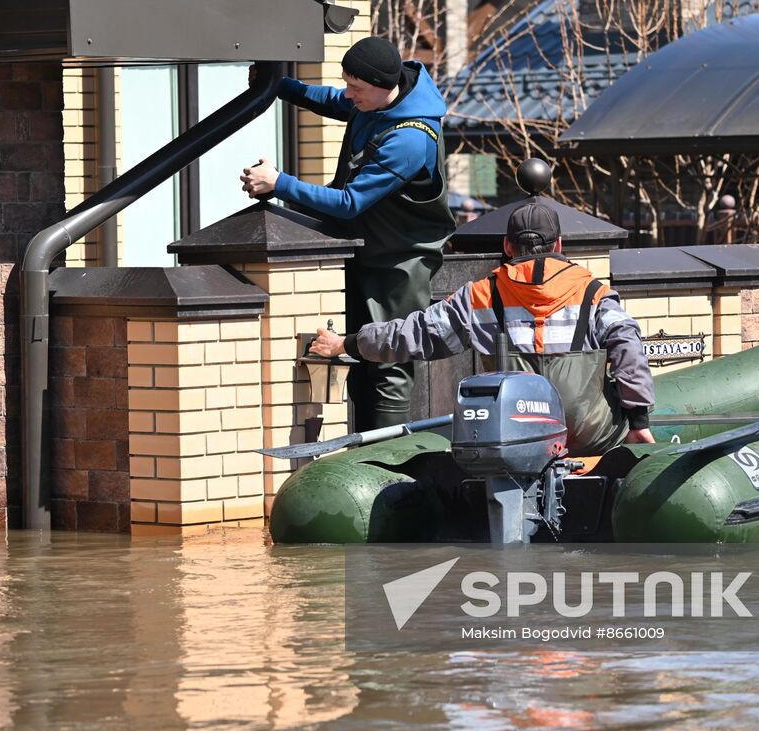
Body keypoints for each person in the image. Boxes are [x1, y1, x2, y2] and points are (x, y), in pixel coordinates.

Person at [308, 197, 656, 454]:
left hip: (513, 434)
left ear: (507, 246)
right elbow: (628, 346)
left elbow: (414, 336)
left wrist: (346, 344)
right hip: (589, 435)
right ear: (560, 245)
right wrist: (638, 423)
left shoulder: (481, 295)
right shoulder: (595, 293)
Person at [241, 37, 455, 431]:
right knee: (352, 354)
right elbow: (331, 101)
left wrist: (278, 183)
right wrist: (278, 85)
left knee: (387, 362)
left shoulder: (410, 137)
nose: (347, 94)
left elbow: (349, 202)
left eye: (356, 88)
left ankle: (384, 466)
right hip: (362, 247)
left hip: (398, 263)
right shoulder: (373, 101)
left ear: (383, 86)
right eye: (347, 83)